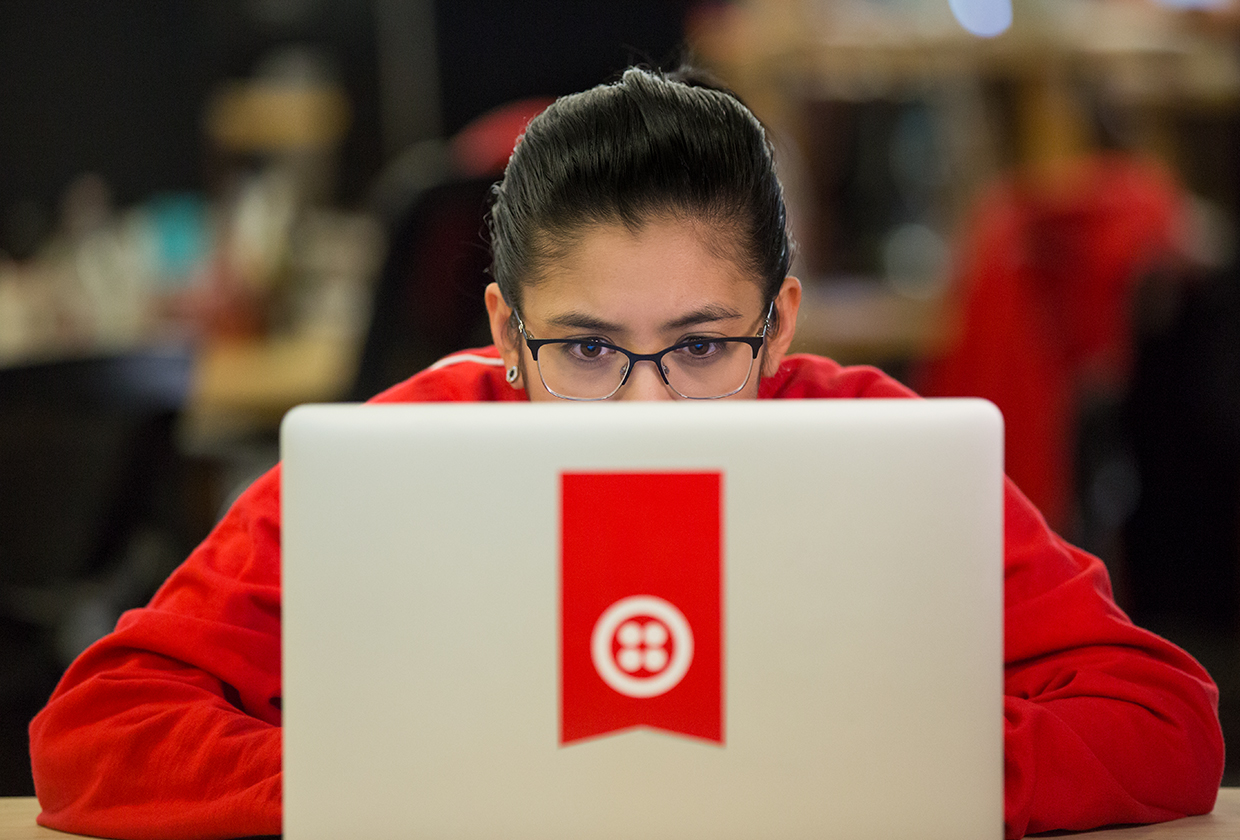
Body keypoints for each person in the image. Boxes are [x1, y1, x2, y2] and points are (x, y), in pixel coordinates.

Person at [29, 66, 1224, 840]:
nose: (646, 407)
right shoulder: (398, 457)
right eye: (588, 350)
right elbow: (98, 729)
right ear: (507, 334)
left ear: (779, 326)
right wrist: (379, 790)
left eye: (702, 347)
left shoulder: (876, 447)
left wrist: (888, 777)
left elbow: (1162, 719)